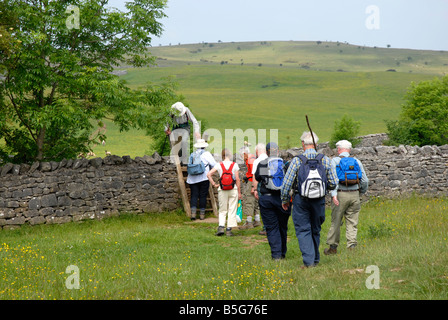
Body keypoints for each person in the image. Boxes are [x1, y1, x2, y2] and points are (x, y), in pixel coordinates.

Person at [281, 131, 338, 268]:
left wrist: (285, 200)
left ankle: (309, 262)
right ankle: (315, 259)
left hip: (301, 200)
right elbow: (333, 183)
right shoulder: (324, 159)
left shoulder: (296, 161)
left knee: (303, 230)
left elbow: (286, 184)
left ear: (302, 144)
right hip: (319, 200)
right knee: (315, 229)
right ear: (316, 144)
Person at [324, 140, 369, 254]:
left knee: (336, 221)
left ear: (339, 149)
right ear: (349, 149)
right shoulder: (356, 161)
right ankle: (352, 246)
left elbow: (333, 180)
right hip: (354, 194)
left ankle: (333, 248)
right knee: (352, 221)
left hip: (340, 195)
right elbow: (365, 180)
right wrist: (360, 192)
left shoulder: (335, 161)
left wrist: (333, 195)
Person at [254, 142, 291, 260]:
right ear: (278, 151)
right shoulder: (284, 164)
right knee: (282, 226)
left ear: (267, 151)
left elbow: (258, 178)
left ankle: (276, 255)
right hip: (282, 198)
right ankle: (283, 253)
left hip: (267, 198)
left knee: (271, 227)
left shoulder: (264, 164)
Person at [207, 148, 242, 236]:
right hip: (233, 189)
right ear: (230, 155)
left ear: (222, 155)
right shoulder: (235, 165)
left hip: (222, 189)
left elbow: (208, 174)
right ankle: (229, 230)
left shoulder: (219, 165)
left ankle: (221, 227)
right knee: (232, 209)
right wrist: (239, 192)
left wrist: (214, 184)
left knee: (222, 210)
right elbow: (237, 179)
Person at [186, 139, 217, 221]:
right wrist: (211, 173)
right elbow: (215, 165)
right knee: (203, 195)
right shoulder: (206, 154)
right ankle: (202, 215)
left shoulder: (193, 154)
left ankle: (193, 214)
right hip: (204, 177)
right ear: (204, 146)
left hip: (192, 178)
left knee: (194, 195)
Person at [238, 146, 261, 230]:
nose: (242, 158)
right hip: (255, 181)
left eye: (241, 156)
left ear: (244, 154)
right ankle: (257, 220)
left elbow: (253, 174)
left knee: (249, 200)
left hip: (252, 181)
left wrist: (252, 187)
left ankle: (249, 222)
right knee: (255, 200)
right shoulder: (253, 157)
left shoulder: (251, 160)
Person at [252, 143, 268, 235]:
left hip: (261, 185)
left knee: (264, 207)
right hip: (271, 185)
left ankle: (266, 227)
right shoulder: (269, 159)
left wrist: (255, 189)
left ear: (257, 151)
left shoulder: (257, 161)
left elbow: (255, 177)